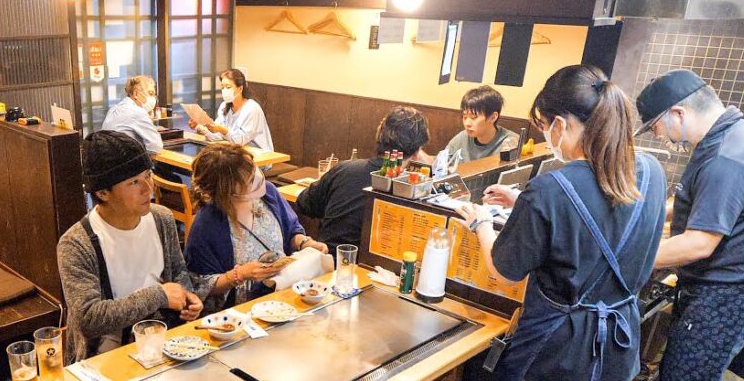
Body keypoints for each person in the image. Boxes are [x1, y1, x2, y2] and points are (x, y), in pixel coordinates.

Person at [456, 65, 666, 381]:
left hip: (558, 348)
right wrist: (523, 206)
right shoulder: (650, 172)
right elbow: (614, 235)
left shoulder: (553, 187)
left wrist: (481, 223)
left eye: (543, 126)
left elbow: (504, 268)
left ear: (560, 124)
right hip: (617, 341)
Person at [594, 69, 744, 381]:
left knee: (692, 373)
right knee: (684, 365)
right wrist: (647, 213)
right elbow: (697, 202)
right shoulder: (739, 135)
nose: (659, 136)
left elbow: (700, 243)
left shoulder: (728, 157)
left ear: (678, 113)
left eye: (656, 126)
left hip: (730, 289)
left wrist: (624, 257)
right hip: (739, 279)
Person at [57, 131, 204, 362]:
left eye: (148, 175)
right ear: (102, 192)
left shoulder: (161, 219)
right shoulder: (77, 243)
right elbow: (88, 318)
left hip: (162, 345)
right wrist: (159, 295)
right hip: (104, 359)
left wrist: (187, 298)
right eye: (134, 182)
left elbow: (178, 273)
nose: (148, 188)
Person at [185, 143, 327, 311]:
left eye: (255, 169)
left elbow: (291, 230)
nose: (259, 178)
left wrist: (305, 242)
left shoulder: (269, 193)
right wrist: (241, 274)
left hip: (285, 293)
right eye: (250, 179)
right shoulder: (206, 224)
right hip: (245, 310)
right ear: (226, 190)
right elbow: (199, 285)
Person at [295, 107, 429, 249]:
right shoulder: (412, 191)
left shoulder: (344, 169)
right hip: (370, 263)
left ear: (379, 137)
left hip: (326, 257)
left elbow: (304, 203)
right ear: (417, 153)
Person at [196, 69, 274, 151]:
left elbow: (240, 141)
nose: (224, 90)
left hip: (257, 153)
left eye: (228, 87)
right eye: (222, 87)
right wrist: (200, 127)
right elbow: (217, 137)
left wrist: (222, 130)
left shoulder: (252, 108)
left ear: (240, 89)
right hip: (235, 151)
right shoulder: (224, 106)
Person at [444, 85, 518, 162]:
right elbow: (441, 164)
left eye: (474, 117)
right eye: (464, 117)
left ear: (493, 117)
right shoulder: (461, 139)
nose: (467, 123)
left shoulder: (512, 142)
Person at [102, 75, 163, 153]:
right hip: (127, 159)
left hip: (109, 158)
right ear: (136, 94)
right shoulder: (138, 112)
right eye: (150, 93)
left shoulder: (113, 109)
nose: (153, 98)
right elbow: (155, 147)